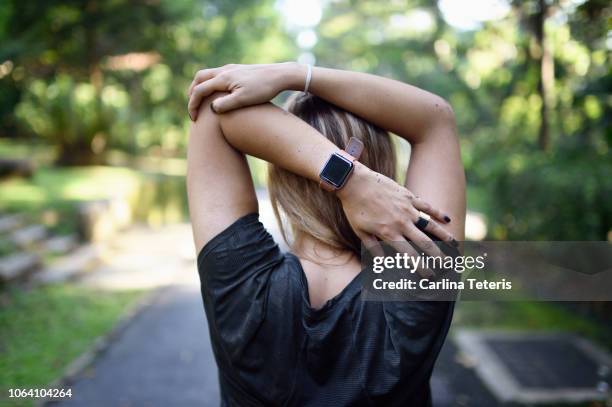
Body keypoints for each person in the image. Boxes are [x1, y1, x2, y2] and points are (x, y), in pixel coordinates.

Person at [186, 62, 465, 406]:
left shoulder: (240, 283)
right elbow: (435, 120)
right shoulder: (422, 270)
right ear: (386, 176)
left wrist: (346, 179)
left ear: (281, 177)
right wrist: (298, 75)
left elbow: (213, 107)